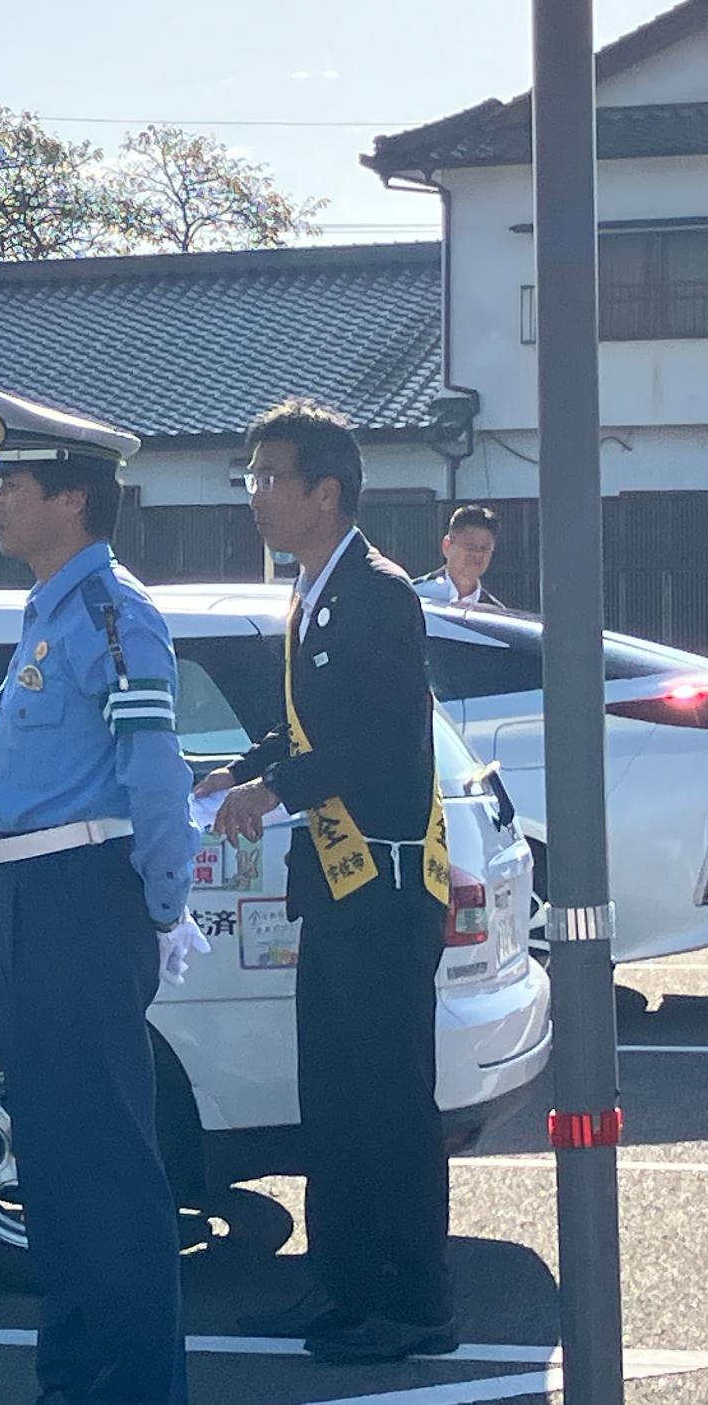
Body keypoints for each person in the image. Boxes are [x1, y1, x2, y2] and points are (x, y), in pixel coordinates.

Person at [196, 399, 458, 1365]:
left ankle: (417, 1302)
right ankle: (343, 1288)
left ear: (326, 490)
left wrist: (276, 789)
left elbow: (380, 736)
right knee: (335, 1101)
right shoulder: (312, 587)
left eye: (269, 477)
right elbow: (315, 726)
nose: (255, 494)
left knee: (391, 1102)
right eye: (252, 476)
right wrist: (246, 764)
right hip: (336, 889)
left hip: (385, 886)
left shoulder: (379, 590)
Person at [0, 390, 205, 1405]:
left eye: (12, 486)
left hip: (78, 895)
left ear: (70, 497)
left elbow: (153, 773)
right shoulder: (49, 612)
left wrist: (160, 907)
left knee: (105, 1161)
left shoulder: (114, 613)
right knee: (54, 1155)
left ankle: (136, 1385)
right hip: (28, 892)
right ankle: (73, 1373)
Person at [413, 503, 505, 607]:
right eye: (470, 546)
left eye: (484, 548)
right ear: (447, 546)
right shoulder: (416, 594)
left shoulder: (494, 611)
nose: (477, 554)